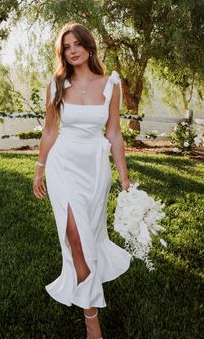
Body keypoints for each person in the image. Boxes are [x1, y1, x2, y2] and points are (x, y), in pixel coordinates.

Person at [33, 23, 132, 339]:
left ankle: (88, 275)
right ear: (62, 52)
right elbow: (49, 130)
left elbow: (114, 133)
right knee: (73, 233)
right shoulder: (57, 85)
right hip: (63, 164)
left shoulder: (110, 84)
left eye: (77, 44)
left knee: (89, 232)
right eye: (66, 46)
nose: (72, 50)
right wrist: (39, 168)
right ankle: (92, 320)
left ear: (89, 47)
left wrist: (125, 180)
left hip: (95, 166)